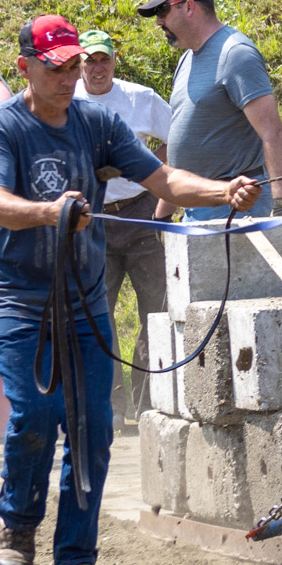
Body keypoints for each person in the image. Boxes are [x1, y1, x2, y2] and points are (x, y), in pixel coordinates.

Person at [0, 15, 260, 565]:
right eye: (56, 69)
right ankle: (17, 528)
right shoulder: (1, 128)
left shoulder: (97, 124)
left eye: (74, 66)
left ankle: (76, 562)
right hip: (15, 295)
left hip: (80, 296)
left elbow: (164, 180)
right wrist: (50, 211)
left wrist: (223, 190)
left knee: (95, 424)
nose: (68, 78)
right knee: (37, 412)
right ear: (25, 67)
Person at [137, 0, 282, 219]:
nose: (158, 21)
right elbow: (182, 142)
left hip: (238, 206)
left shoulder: (235, 53)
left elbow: (272, 132)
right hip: (198, 206)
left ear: (189, 7)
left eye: (163, 10)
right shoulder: (187, 59)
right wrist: (163, 213)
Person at [77, 29, 172, 416]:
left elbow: (177, 137)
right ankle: (111, 404)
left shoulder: (140, 98)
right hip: (93, 219)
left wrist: (147, 168)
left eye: (104, 60)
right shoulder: (67, 102)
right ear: (78, 65)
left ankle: (146, 401)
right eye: (90, 61)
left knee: (156, 308)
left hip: (141, 213)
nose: (98, 68)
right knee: (98, 314)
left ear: (115, 61)